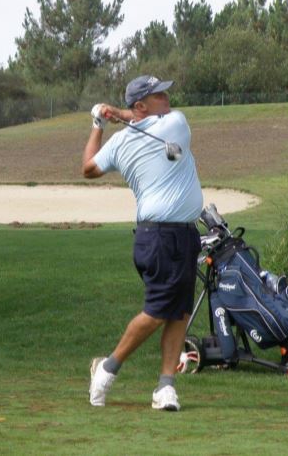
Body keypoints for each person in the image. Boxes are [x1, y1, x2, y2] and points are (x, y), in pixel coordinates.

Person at [81, 75, 203, 411]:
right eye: (159, 95)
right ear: (141, 105)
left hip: (183, 235)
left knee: (179, 312)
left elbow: (91, 165)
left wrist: (101, 121)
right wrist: (104, 122)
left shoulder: (166, 125)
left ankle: (165, 387)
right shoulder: (160, 129)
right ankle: (107, 368)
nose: (168, 99)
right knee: (157, 311)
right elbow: (88, 169)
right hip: (159, 236)